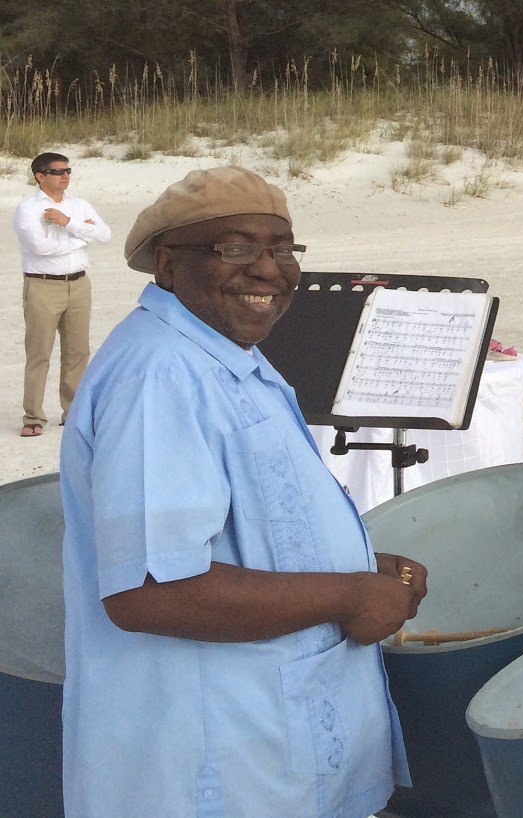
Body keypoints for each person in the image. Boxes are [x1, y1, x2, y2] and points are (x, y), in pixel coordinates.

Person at [59, 166, 425, 818]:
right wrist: (347, 593)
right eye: (235, 249)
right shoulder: (162, 374)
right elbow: (150, 590)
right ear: (169, 265)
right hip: (215, 769)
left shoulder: (222, 352)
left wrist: (358, 570)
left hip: (268, 754)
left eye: (282, 248)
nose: (268, 270)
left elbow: (247, 528)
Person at [13, 152, 109, 437]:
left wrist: (69, 223)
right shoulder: (27, 208)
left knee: (77, 352)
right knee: (39, 352)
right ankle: (33, 416)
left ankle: (73, 412)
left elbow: (104, 235)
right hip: (43, 285)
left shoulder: (78, 206)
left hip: (79, 284)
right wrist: (82, 238)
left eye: (68, 170)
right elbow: (40, 248)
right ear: (40, 176)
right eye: (57, 171)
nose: (65, 176)